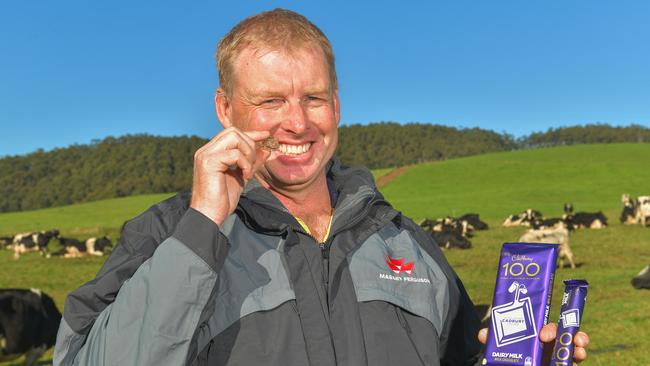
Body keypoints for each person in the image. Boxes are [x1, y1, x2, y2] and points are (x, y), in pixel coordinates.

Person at [53, 9, 589, 366]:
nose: (297, 123)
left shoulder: (404, 241)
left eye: (313, 98)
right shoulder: (168, 235)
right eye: (269, 102)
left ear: (337, 105)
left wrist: (523, 354)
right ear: (225, 109)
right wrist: (203, 227)